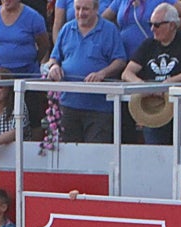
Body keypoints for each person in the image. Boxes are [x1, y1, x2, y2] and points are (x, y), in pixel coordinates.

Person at [46, 0, 128, 144]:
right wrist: (53, 67)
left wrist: (103, 73)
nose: (80, 13)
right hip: (69, 104)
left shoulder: (109, 30)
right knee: (69, 154)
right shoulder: (66, 29)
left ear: (96, 9)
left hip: (99, 108)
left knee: (95, 155)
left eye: (85, 9)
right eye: (77, 8)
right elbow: (54, 57)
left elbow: (120, 60)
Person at [120, 3, 181, 146]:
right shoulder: (148, 44)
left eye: (157, 25)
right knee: (155, 153)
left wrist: (168, 84)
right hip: (154, 111)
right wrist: (143, 86)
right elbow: (127, 72)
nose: (152, 29)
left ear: (171, 25)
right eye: (150, 24)